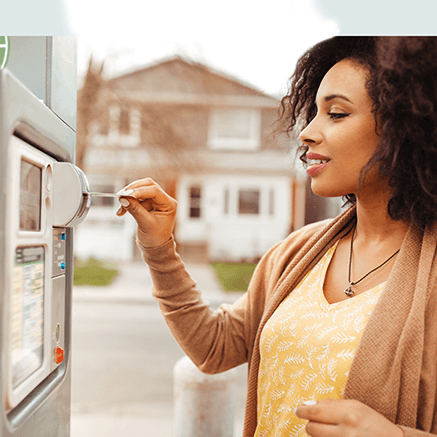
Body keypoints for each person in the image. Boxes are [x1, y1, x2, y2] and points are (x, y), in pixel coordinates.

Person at [115, 36, 437, 437]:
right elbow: (214, 349)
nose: (307, 133)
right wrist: (160, 248)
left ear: (405, 127)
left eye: (336, 114)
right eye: (313, 113)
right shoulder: (295, 254)